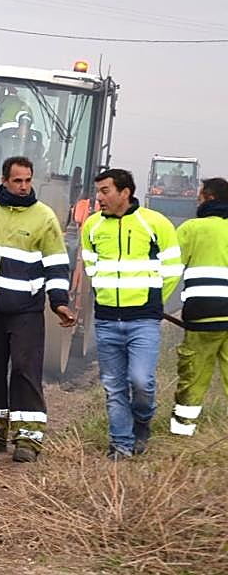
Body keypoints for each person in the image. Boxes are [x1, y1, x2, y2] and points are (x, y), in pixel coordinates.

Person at [0, 156, 76, 462]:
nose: (24, 186)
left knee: (25, 370)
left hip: (25, 311)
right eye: (18, 181)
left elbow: (56, 265)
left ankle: (28, 440)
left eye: (28, 180)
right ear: (4, 180)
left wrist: (59, 303)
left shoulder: (44, 218)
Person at [80, 168, 183, 459]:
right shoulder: (92, 226)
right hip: (107, 320)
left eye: (105, 191)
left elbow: (173, 270)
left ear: (125, 193)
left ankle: (142, 422)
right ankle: (121, 446)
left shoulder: (155, 224)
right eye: (98, 191)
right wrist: (104, 295)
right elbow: (91, 266)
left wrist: (152, 302)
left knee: (141, 382)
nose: (99, 197)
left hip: (144, 322)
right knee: (113, 387)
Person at [169, 177, 228, 436]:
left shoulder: (191, 228)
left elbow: (170, 271)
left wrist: (152, 303)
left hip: (202, 317)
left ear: (210, 198)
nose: (197, 200)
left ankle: (183, 433)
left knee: (193, 375)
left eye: (200, 196)